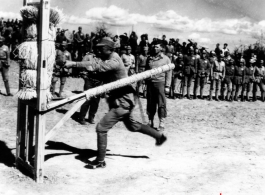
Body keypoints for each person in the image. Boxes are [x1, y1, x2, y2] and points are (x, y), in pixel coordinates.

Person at [64, 37, 167, 169]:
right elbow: (99, 72)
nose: (99, 51)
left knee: (101, 128)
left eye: (101, 48)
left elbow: (97, 67)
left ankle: (100, 161)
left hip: (123, 101)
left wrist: (73, 64)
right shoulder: (108, 58)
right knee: (133, 126)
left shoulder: (114, 60)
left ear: (109, 49)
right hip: (121, 99)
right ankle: (159, 136)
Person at [145, 43, 172, 130]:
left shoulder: (166, 59)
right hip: (150, 83)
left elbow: (169, 73)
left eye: (157, 47)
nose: (154, 48)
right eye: (154, 46)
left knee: (161, 103)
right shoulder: (150, 58)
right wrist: (146, 83)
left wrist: (167, 86)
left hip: (160, 83)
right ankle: (150, 121)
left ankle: (162, 122)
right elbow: (146, 71)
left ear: (161, 48)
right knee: (150, 103)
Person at [78, 51, 102, 125]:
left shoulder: (104, 57)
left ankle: (91, 117)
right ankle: (82, 117)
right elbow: (81, 65)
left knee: (96, 101)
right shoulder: (88, 56)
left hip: (99, 80)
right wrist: (85, 76)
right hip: (90, 80)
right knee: (87, 99)